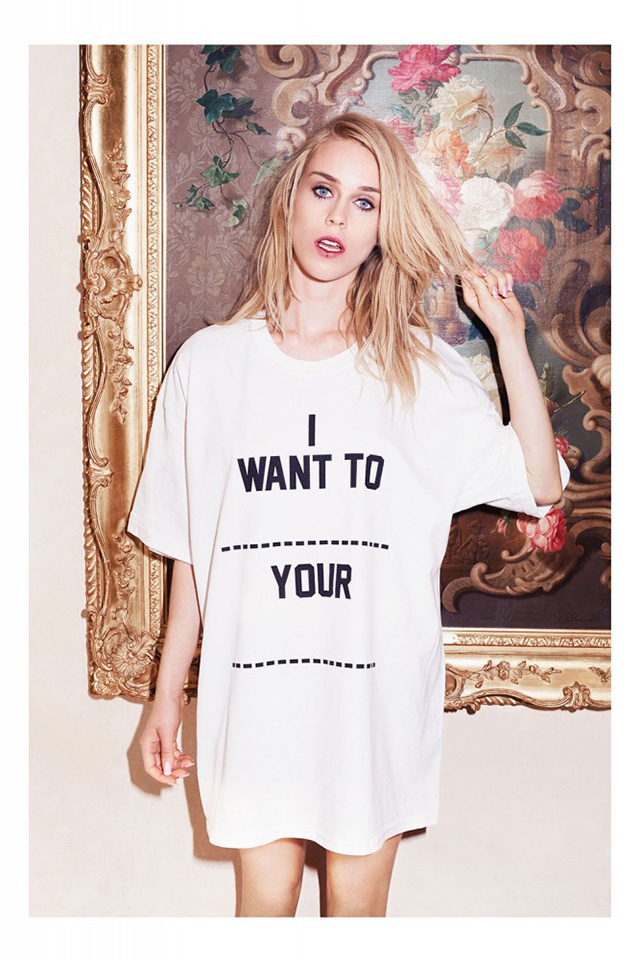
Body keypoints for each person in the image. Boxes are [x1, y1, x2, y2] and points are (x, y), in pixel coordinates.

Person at [126, 113, 570, 917]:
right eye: (324, 189)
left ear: (381, 229)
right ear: (291, 198)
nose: (338, 216)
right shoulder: (211, 366)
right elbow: (196, 549)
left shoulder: (417, 369)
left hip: (373, 702)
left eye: (365, 202)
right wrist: (166, 695)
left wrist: (509, 339)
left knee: (357, 921)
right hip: (255, 700)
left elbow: (541, 485)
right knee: (263, 912)